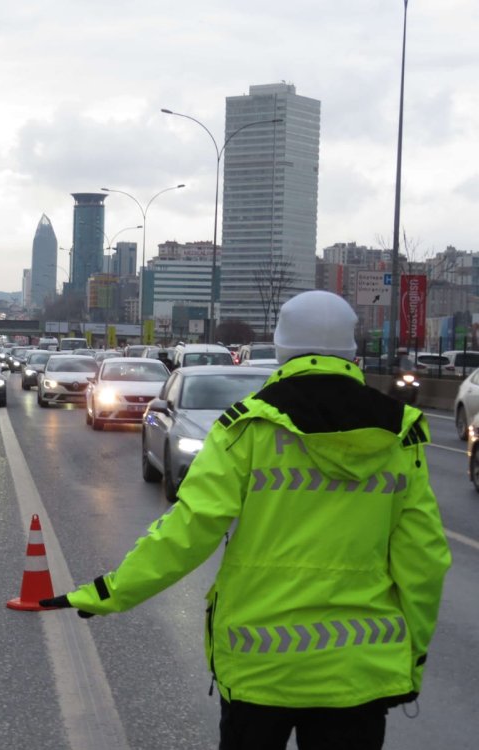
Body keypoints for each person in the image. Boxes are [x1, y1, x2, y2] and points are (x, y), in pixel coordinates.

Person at [41, 290, 451, 750]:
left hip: (259, 668)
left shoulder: (246, 428)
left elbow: (185, 535)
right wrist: (410, 660)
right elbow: (424, 562)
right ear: (352, 352)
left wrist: (107, 594)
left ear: (280, 347)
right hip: (359, 673)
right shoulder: (400, 434)